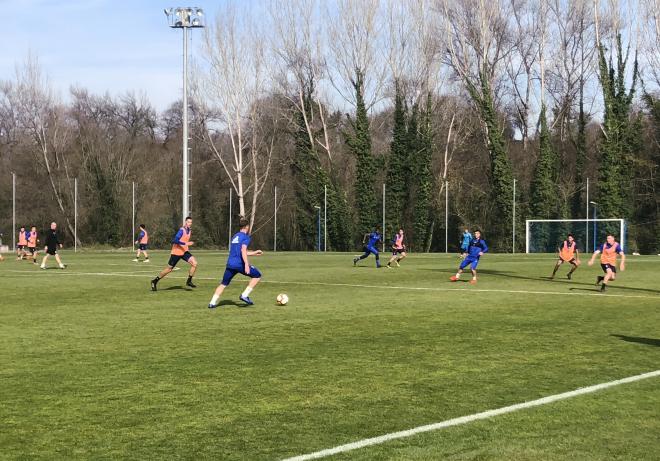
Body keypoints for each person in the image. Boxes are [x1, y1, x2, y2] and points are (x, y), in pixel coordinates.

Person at [208, 218, 263, 308]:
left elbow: (240, 251)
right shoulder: (245, 237)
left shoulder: (235, 236)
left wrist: (254, 252)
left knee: (223, 284)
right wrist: (246, 264)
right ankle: (245, 295)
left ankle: (212, 303)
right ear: (247, 227)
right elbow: (243, 250)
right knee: (257, 275)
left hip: (230, 264)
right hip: (239, 264)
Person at [151, 217, 197, 291]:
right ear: (185, 222)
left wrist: (186, 244)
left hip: (184, 252)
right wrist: (186, 243)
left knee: (194, 263)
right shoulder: (182, 230)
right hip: (176, 252)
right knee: (169, 269)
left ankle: (189, 281)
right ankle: (154, 281)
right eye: (188, 222)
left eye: (191, 222)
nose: (189, 224)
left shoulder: (190, 230)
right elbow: (175, 240)